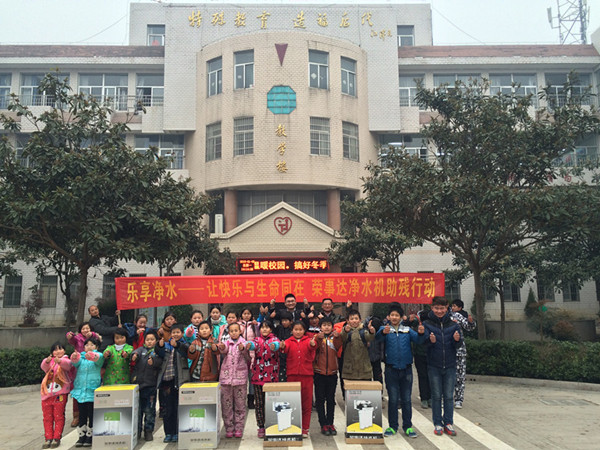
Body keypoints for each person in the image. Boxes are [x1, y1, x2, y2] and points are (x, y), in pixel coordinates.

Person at [376, 304, 426, 438]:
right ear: (388, 317)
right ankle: (392, 426)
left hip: (406, 370)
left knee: (406, 400)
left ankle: (408, 426)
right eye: (392, 315)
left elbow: (419, 340)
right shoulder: (385, 329)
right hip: (391, 369)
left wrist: (422, 333)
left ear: (401, 317)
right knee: (393, 400)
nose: (394, 317)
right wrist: (383, 333)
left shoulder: (407, 330)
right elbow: (377, 338)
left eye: (396, 315)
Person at [423, 296, 463, 437]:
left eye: (442, 308)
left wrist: (457, 340)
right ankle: (437, 423)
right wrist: (430, 341)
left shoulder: (453, 325)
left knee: (448, 396)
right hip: (434, 365)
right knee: (436, 396)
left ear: (447, 308)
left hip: (450, 365)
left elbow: (458, 345)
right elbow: (423, 344)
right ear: (432, 308)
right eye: (436, 308)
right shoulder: (427, 324)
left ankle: (448, 423)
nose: (439, 311)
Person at [281, 321, 317, 438]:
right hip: (292, 375)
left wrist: (313, 345)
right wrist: (282, 346)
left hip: (307, 375)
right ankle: (293, 425)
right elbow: (284, 349)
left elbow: (313, 347)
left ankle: (305, 428)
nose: (298, 332)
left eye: (300, 329)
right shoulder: (288, 341)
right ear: (292, 330)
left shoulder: (308, 340)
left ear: (304, 330)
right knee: (292, 402)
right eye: (296, 329)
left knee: (306, 403)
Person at [156, 323, 190, 443]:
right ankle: (168, 433)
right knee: (167, 409)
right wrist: (159, 346)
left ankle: (176, 432)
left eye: (177, 332)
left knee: (177, 408)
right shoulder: (167, 345)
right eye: (173, 332)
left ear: (182, 333)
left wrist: (178, 345)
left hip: (179, 381)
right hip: (167, 381)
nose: (175, 334)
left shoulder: (184, 344)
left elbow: (187, 352)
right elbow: (159, 354)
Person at [218, 322, 251, 438]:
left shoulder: (245, 343)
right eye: (231, 331)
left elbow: (248, 357)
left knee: (240, 405)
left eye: (236, 330)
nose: (234, 333)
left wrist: (243, 349)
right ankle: (229, 427)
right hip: (226, 379)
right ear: (228, 332)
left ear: (240, 331)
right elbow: (223, 350)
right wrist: (222, 347)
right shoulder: (226, 343)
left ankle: (239, 428)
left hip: (240, 379)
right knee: (226, 405)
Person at [248, 320, 280, 438]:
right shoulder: (257, 340)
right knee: (259, 403)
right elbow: (253, 345)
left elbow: (277, 346)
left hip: (272, 378)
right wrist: (248, 345)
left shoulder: (275, 339)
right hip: (258, 378)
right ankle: (261, 426)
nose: (265, 329)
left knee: (271, 403)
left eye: (267, 327)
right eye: (262, 327)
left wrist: (275, 346)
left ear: (271, 329)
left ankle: (271, 425)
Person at [70, 336, 104, 447]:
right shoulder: (81, 357)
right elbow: (75, 363)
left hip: (92, 389)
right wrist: (74, 357)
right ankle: (82, 435)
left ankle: (90, 434)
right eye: (87, 345)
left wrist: (92, 356)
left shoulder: (99, 356)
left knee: (92, 413)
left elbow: (99, 359)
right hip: (81, 390)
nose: (89, 347)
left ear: (96, 347)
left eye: (92, 345)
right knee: (82, 413)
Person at [66, 322, 101, 427]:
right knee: (78, 395)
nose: (85, 330)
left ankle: (91, 424)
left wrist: (93, 336)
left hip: (92, 375)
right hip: (80, 371)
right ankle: (77, 417)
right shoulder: (78, 338)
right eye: (83, 328)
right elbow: (72, 340)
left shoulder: (95, 338)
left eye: (87, 328)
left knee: (91, 403)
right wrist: (69, 336)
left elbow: (99, 356)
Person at [40, 342, 74, 449]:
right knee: (47, 417)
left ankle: (56, 438)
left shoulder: (66, 360)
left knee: (58, 416)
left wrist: (59, 361)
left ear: (64, 350)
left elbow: (68, 366)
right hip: (47, 394)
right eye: (55, 350)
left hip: (60, 394)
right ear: (52, 352)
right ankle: (48, 438)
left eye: (60, 349)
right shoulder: (50, 361)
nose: (58, 351)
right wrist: (47, 361)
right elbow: (44, 367)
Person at [130, 330, 163, 442]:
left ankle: (148, 431)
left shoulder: (157, 352)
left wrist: (154, 363)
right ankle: (137, 430)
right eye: (147, 340)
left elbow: (160, 362)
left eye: (152, 339)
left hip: (150, 386)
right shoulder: (141, 349)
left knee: (149, 411)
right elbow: (135, 353)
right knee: (138, 411)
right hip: (138, 386)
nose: (149, 342)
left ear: (156, 341)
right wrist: (134, 356)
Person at [313, 317, 342, 436]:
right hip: (319, 373)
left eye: (328, 325)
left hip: (332, 373)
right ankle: (323, 424)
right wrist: (318, 339)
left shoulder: (335, 338)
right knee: (320, 400)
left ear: (332, 327)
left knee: (331, 399)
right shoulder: (316, 337)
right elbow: (313, 348)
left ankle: (330, 423)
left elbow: (339, 346)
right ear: (320, 327)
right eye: (324, 325)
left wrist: (338, 337)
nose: (326, 327)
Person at [450, 299, 476, 409]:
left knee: (460, 377)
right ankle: (445, 398)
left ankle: (458, 399)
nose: (452, 308)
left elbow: (469, 327)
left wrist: (471, 322)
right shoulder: (444, 316)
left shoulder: (458, 316)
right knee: (445, 377)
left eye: (454, 306)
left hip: (459, 351)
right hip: (446, 351)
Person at [340, 309, 376, 382]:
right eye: (352, 319)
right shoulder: (346, 331)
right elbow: (342, 338)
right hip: (349, 370)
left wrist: (371, 331)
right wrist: (345, 331)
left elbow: (369, 337)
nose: (354, 321)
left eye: (356, 318)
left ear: (360, 320)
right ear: (347, 321)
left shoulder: (364, 331)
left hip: (364, 370)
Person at [239, 307, 258, 409]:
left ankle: (251, 399)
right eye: (244, 313)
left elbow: (258, 337)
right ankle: (241, 400)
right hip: (241, 354)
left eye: (248, 314)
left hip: (252, 354)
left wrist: (256, 326)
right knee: (241, 379)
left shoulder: (254, 325)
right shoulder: (238, 325)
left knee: (252, 378)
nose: (246, 315)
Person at [274, 310, 293, 381]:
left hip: (290, 356)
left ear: (291, 321)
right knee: (281, 378)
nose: (284, 322)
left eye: (286, 320)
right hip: (280, 357)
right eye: (282, 321)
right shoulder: (279, 328)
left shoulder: (293, 330)